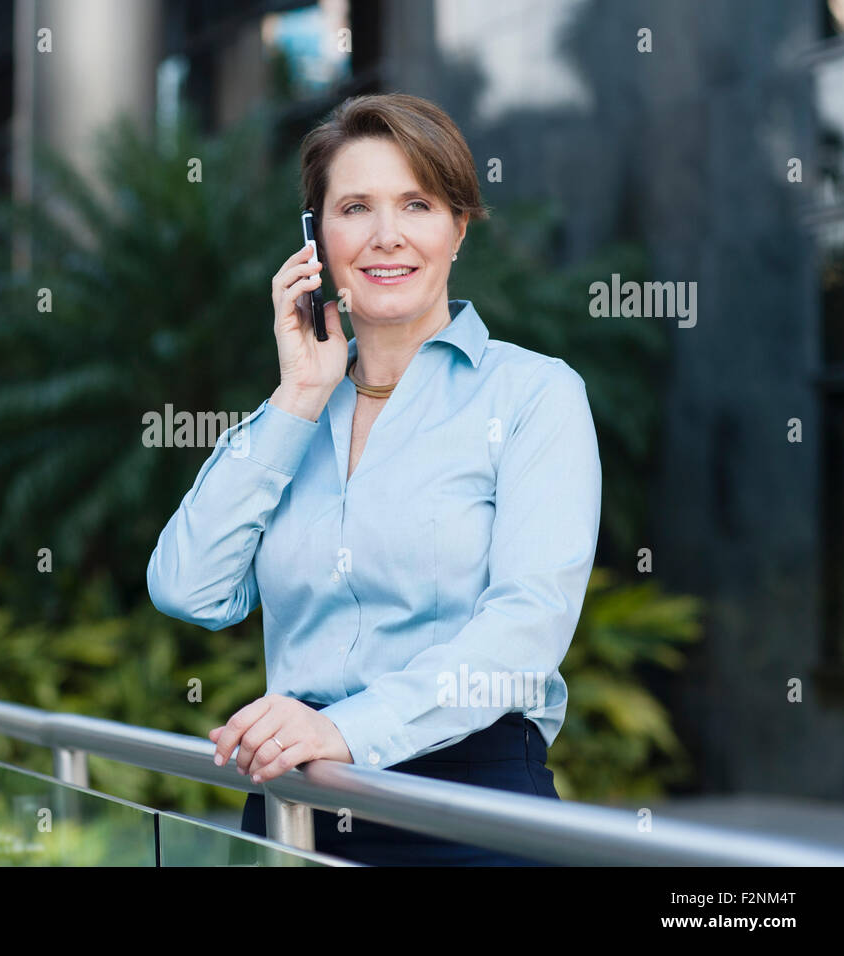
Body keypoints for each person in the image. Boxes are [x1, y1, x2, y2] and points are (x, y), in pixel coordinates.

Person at [146, 93, 601, 865]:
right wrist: (296, 396)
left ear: (459, 225)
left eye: (417, 204)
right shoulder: (294, 415)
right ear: (316, 237)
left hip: (467, 804)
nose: (386, 236)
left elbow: (527, 627)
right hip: (297, 805)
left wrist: (349, 728)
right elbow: (189, 589)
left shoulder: (533, 395)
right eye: (355, 207)